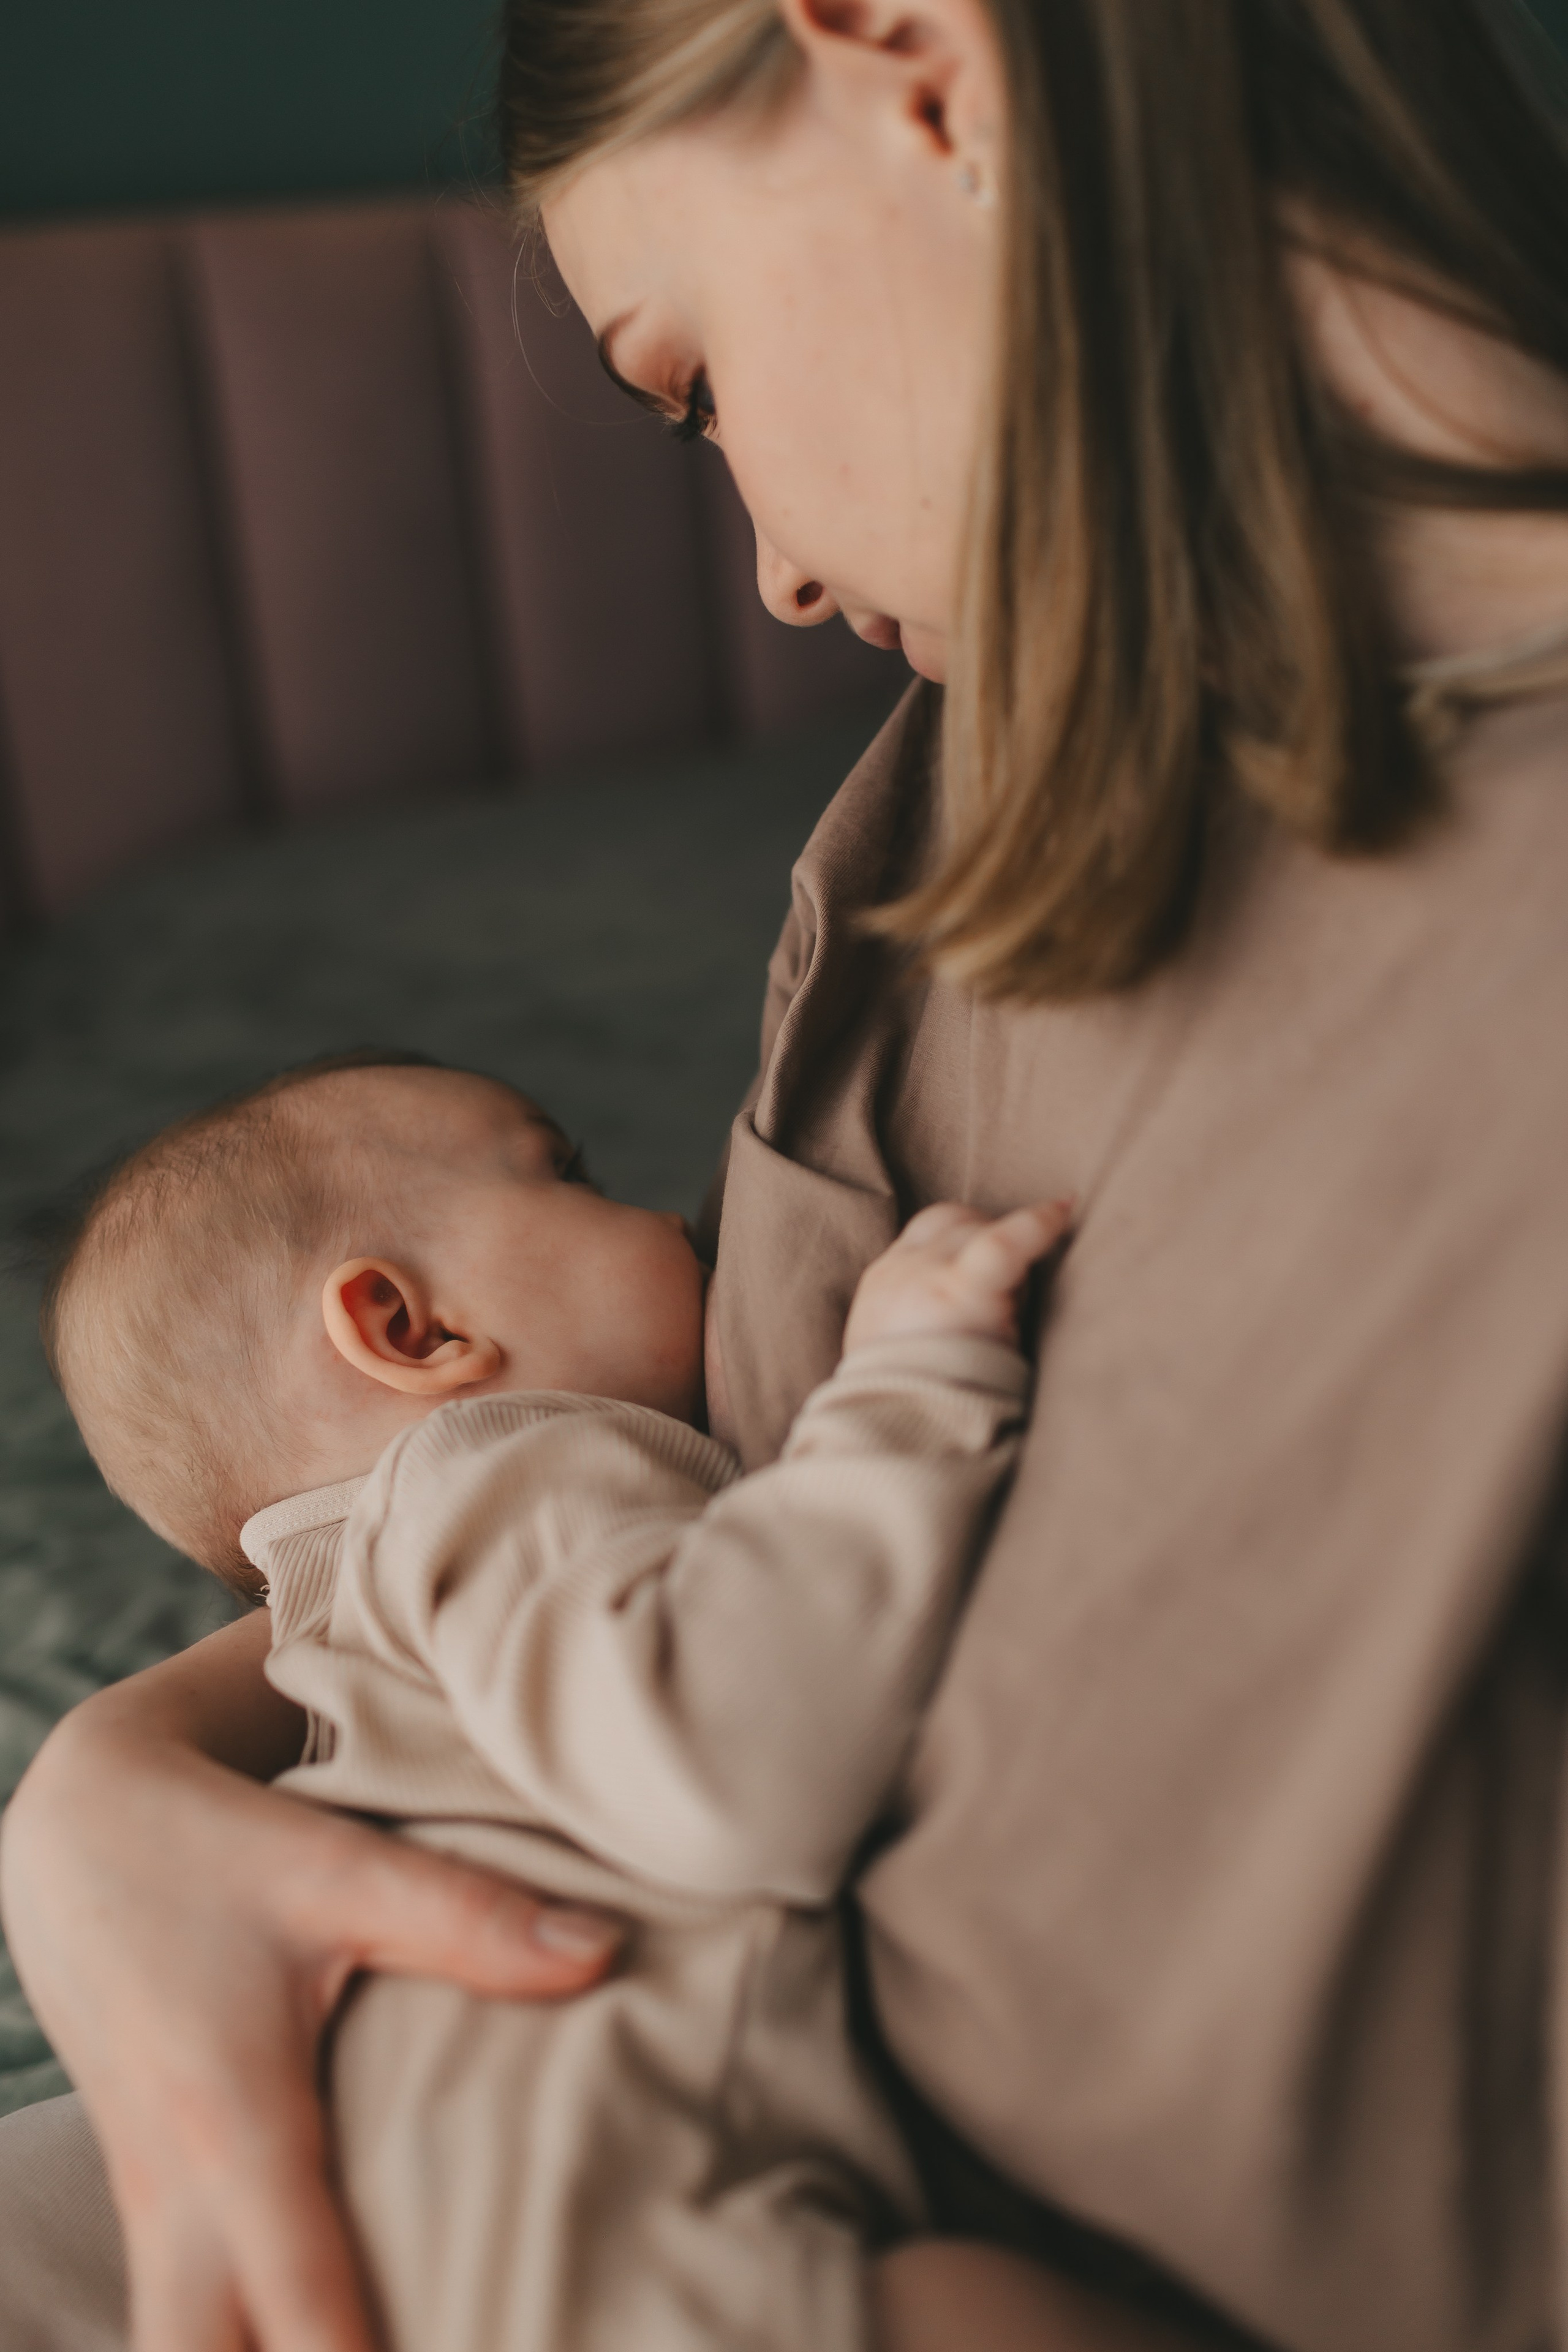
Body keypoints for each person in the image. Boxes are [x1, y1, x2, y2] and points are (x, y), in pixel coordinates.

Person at [4, 1, 1568, 2347]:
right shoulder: (956, 815)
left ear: (916, 53)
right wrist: (125, 1782)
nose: (772, 586)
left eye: (691, 381)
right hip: (490, 2118)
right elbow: (659, 1506)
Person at [39, 1048, 1060, 2352]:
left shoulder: (354, 1653)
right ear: (413, 1331)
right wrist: (908, 1387)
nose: (665, 1217)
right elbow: (722, 1768)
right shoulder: (496, 1464)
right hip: (636, 2270)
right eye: (565, 1171)